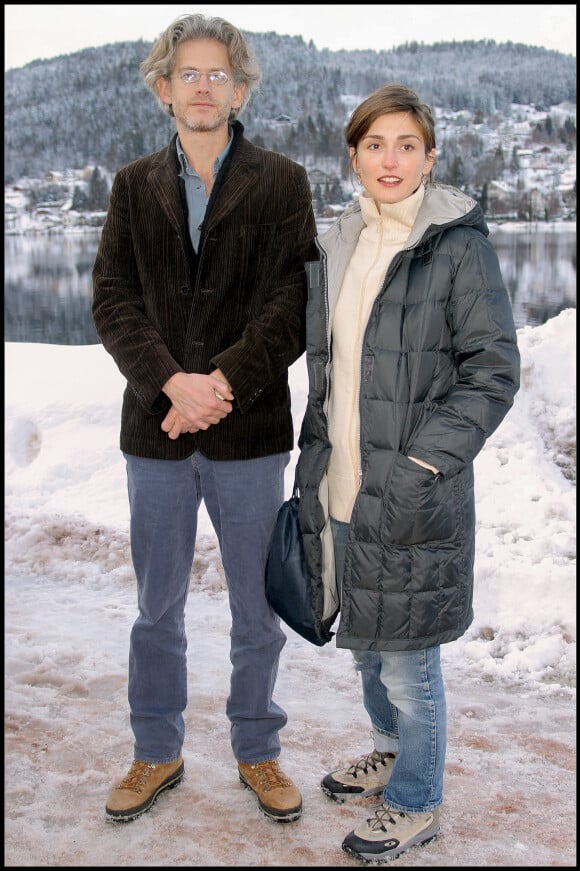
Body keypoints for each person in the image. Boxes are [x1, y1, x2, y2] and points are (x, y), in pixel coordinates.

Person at [92, 13, 318, 824]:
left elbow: (295, 303)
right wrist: (169, 386)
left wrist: (220, 382)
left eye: (217, 73)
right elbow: (112, 300)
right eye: (186, 73)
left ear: (241, 87)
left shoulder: (284, 182)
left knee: (256, 609)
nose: (202, 85)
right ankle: (156, 749)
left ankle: (257, 750)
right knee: (158, 607)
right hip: (155, 433)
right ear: (163, 89)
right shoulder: (131, 185)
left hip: (249, 431)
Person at [295, 83, 520, 862]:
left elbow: (492, 370)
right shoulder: (340, 242)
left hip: (412, 490)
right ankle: (391, 752)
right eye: (374, 144)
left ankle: (419, 798)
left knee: (408, 654)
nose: (390, 160)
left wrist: (424, 462)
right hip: (342, 485)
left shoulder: (457, 245)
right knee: (363, 640)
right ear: (352, 155)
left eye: (406, 145)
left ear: (429, 156)